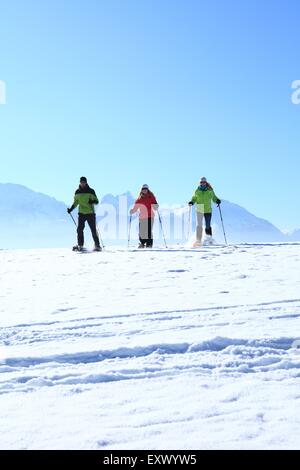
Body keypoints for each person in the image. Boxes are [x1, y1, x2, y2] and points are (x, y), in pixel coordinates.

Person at [67, 176, 102, 251]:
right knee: (79, 229)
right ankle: (80, 245)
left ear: (86, 182)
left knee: (93, 229)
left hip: (90, 213)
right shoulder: (77, 192)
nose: (82, 183)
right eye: (81, 182)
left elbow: (96, 201)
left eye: (84, 182)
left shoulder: (91, 191)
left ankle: (97, 245)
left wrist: (92, 201)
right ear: (80, 182)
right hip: (81, 213)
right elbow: (76, 202)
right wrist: (71, 209)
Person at [188, 177, 221, 245]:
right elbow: (194, 198)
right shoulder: (197, 191)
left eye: (203, 182)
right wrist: (192, 202)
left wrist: (217, 200)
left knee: (207, 225)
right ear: (200, 183)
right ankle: (198, 240)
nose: (202, 183)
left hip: (208, 210)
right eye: (201, 182)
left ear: (206, 183)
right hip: (200, 208)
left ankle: (209, 240)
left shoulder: (210, 191)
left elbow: (214, 197)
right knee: (199, 225)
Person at [130, 184, 159, 248]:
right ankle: (142, 243)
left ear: (148, 189)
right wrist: (132, 211)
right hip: (142, 217)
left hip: (150, 216)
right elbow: (135, 208)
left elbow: (155, 204)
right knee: (141, 232)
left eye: (146, 189)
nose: (145, 190)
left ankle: (149, 244)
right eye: (143, 189)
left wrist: (156, 205)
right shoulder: (139, 199)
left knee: (148, 231)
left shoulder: (151, 196)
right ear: (141, 190)